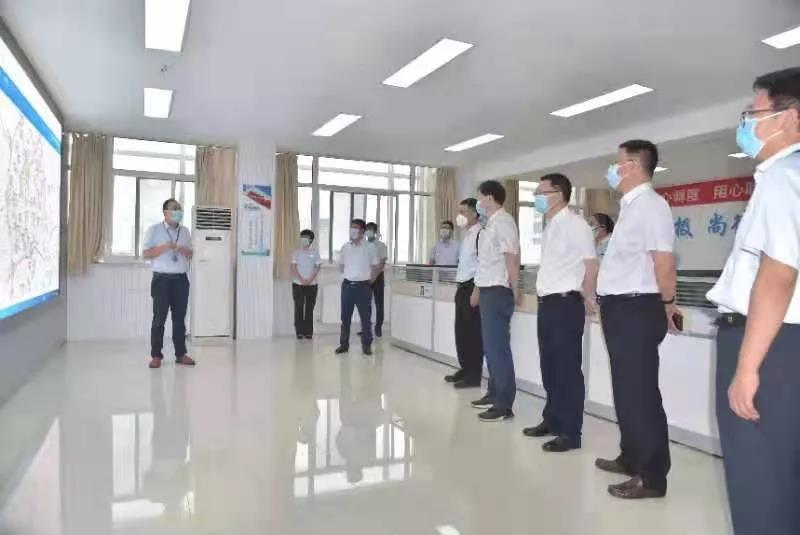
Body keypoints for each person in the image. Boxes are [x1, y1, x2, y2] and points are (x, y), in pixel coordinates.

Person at [706, 67, 800, 535]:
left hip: (770, 345)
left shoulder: (783, 177)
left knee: (759, 482)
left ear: (790, 117)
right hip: (787, 345)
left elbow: (778, 275)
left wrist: (747, 367)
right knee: (787, 480)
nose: (746, 122)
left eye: (754, 112)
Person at [595, 140, 680, 499]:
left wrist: (668, 304)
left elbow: (664, 262)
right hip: (619, 307)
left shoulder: (652, 206)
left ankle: (653, 476)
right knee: (625, 391)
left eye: (617, 163)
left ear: (632, 166)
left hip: (637, 308)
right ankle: (631, 457)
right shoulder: (630, 207)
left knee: (640, 394)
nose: (612, 169)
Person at [523, 173, 598, 452]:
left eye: (541, 193)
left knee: (567, 370)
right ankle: (552, 420)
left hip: (567, 303)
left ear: (559, 194)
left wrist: (587, 297)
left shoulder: (576, 225)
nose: (537, 198)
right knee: (550, 367)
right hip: (547, 304)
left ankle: (570, 432)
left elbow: (591, 267)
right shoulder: (551, 225)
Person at [469, 180, 521, 422]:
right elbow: (485, 263)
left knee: (498, 349)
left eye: (480, 197)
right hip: (487, 289)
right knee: (490, 348)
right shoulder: (490, 224)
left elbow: (512, 258)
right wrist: (477, 290)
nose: (478, 202)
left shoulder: (504, 222)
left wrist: (516, 289)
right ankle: (493, 393)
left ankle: (504, 404)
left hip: (498, 291)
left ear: (489, 198)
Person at [142, 198, 196, 369]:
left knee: (179, 318)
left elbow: (191, 254)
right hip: (161, 280)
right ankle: (156, 356)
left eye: (179, 208)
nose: (178, 211)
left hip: (181, 279)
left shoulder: (185, 231)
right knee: (159, 318)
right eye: (174, 208)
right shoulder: (154, 230)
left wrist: (181, 249)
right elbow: (146, 254)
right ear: (165, 212)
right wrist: (165, 247)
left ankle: (180, 354)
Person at [444, 198, 484, 389]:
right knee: (461, 332)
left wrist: (476, 290)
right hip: (462, 287)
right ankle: (465, 368)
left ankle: (474, 375)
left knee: (472, 333)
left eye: (463, 212)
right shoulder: (467, 236)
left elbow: (483, 265)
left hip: (472, 288)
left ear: (474, 214)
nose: (459, 216)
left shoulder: (480, 234)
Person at [335, 219, 379, 356]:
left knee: (365, 318)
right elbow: (341, 266)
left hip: (363, 287)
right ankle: (344, 344)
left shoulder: (370, 247)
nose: (352, 230)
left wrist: (369, 281)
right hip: (347, 286)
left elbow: (375, 266)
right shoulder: (345, 247)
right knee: (345, 317)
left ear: (362, 231)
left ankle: (366, 345)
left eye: (355, 227)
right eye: (351, 227)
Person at [291, 229, 322, 340]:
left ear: (311, 240)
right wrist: (301, 279)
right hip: (298, 284)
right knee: (298, 308)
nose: (304, 239)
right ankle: (299, 332)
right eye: (302, 237)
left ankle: (308, 332)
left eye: (306, 237)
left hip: (312, 285)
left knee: (309, 308)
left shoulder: (315, 253)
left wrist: (309, 279)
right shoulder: (296, 252)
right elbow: (293, 267)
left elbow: (317, 267)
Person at [365, 222, 388, 338]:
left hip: (378, 276)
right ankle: (366, 328)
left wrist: (374, 276)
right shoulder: (363, 245)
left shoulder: (381, 245)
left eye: (371, 229)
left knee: (379, 304)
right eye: (367, 229)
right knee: (365, 304)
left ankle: (378, 328)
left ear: (375, 232)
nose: (368, 231)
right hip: (365, 276)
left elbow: (382, 262)